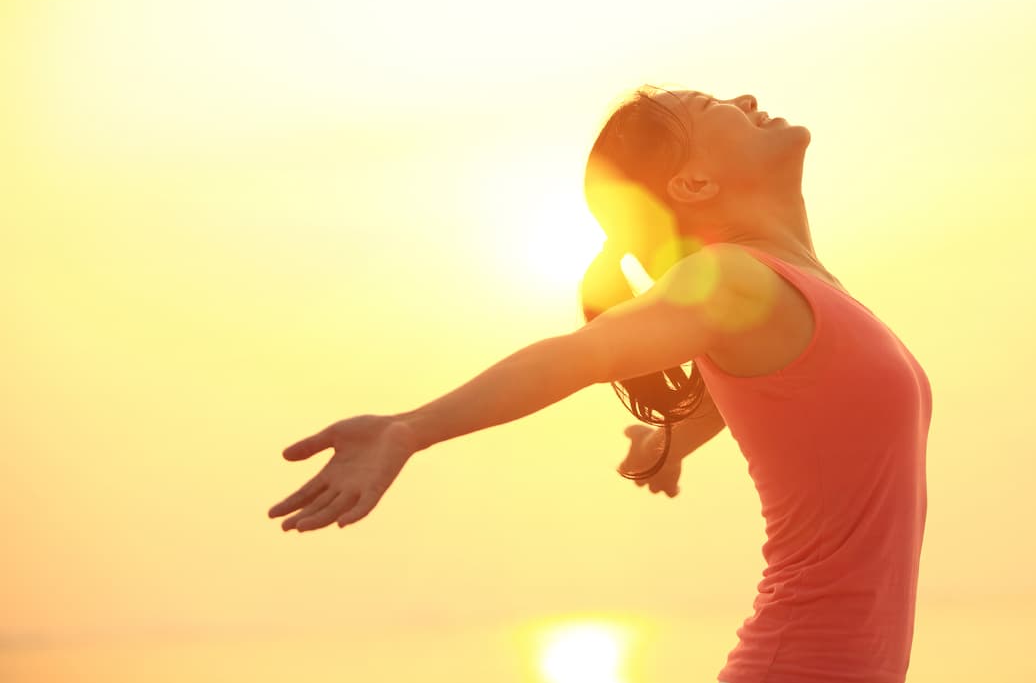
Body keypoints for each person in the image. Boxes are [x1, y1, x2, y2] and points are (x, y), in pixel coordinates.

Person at [267, 84, 933, 683]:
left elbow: (796, 403)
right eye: (713, 106)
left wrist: (670, 440)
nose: (748, 97)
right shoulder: (734, 278)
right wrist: (409, 427)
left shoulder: (790, 294)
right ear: (695, 182)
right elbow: (580, 355)